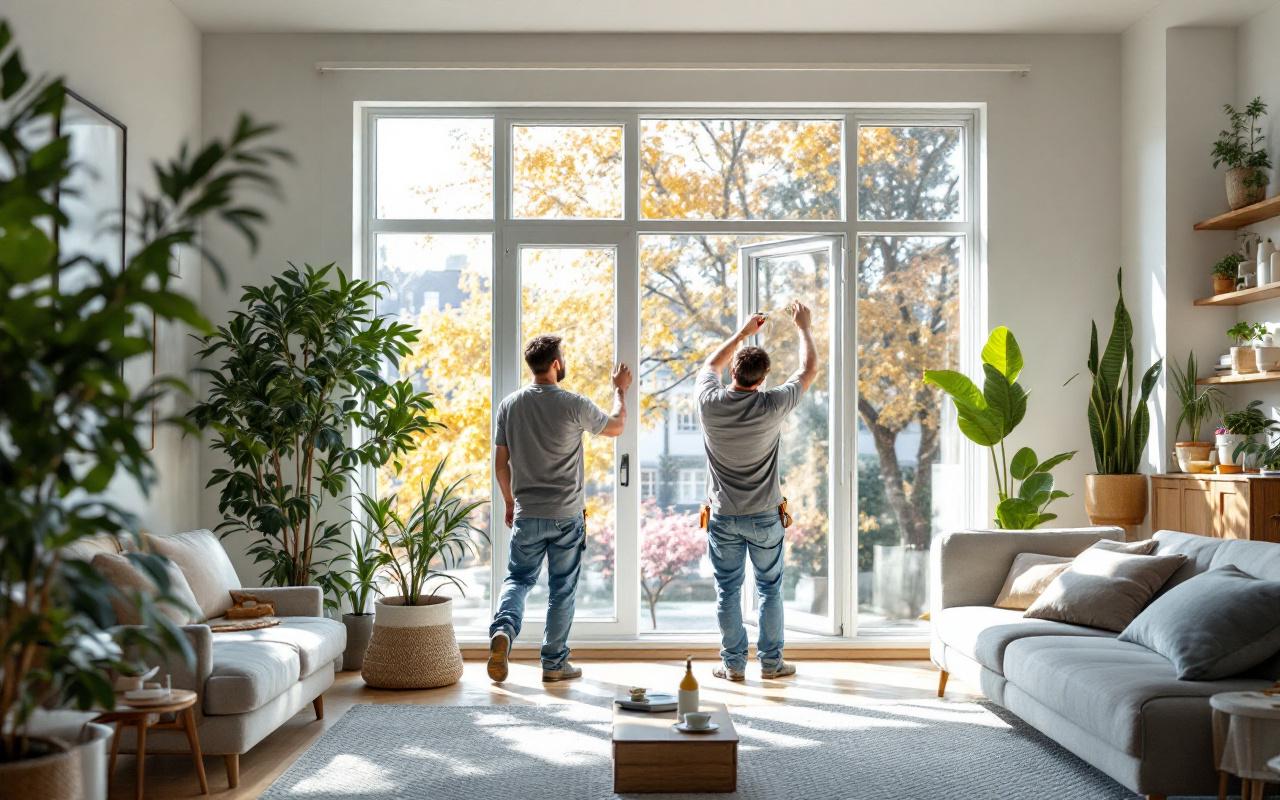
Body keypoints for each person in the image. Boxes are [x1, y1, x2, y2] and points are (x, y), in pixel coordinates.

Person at [487, 334, 631, 684]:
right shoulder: (573, 403)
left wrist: (509, 501)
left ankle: (504, 630)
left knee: (518, 579)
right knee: (562, 588)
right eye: (562, 357)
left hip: (527, 512)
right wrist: (619, 390)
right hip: (566, 515)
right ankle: (553, 663)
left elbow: (500, 462)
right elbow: (616, 426)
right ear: (555, 364)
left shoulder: (510, 405)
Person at [696, 302, 818, 682]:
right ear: (763, 378)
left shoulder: (709, 403)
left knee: (728, 591)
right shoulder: (772, 404)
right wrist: (803, 327)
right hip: (765, 515)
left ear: (734, 371)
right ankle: (771, 664)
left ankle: (733, 666)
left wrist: (743, 333)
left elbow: (709, 366)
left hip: (724, 516)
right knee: (769, 589)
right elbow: (808, 370)